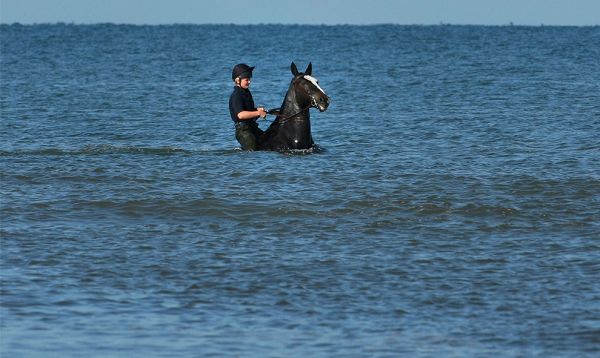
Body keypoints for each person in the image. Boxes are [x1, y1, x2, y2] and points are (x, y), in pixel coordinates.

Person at [229, 63, 267, 150]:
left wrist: (258, 110)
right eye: (246, 79)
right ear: (238, 80)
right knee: (253, 150)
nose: (249, 82)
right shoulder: (236, 95)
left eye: (249, 79)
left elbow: (248, 110)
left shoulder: (246, 92)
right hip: (243, 131)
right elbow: (241, 115)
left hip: (252, 127)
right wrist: (258, 112)